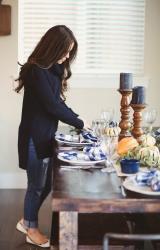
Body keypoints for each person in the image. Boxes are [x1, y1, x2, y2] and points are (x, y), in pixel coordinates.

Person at [15, 25, 89, 248]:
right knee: (36, 186)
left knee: (46, 184)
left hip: (46, 135)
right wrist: (79, 122)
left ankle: (26, 220)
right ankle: (31, 229)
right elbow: (52, 106)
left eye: (70, 52)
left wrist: (77, 117)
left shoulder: (51, 71)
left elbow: (57, 103)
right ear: (53, 47)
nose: (67, 56)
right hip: (34, 137)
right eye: (65, 51)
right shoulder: (36, 70)